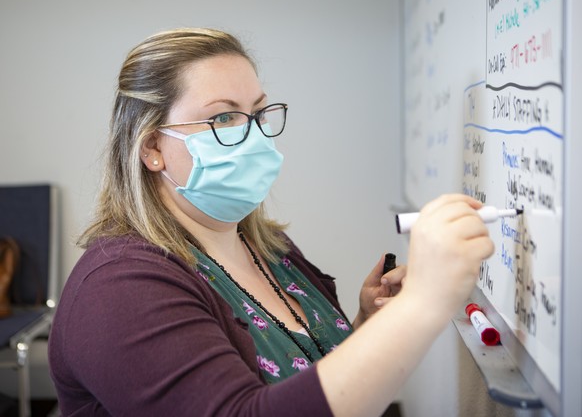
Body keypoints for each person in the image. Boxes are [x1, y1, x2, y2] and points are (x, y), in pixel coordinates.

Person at [48, 27, 494, 417]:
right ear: (151, 148)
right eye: (223, 117)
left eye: (258, 114)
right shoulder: (119, 287)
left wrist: (366, 326)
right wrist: (425, 303)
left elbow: (300, 383)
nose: (254, 135)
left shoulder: (266, 244)